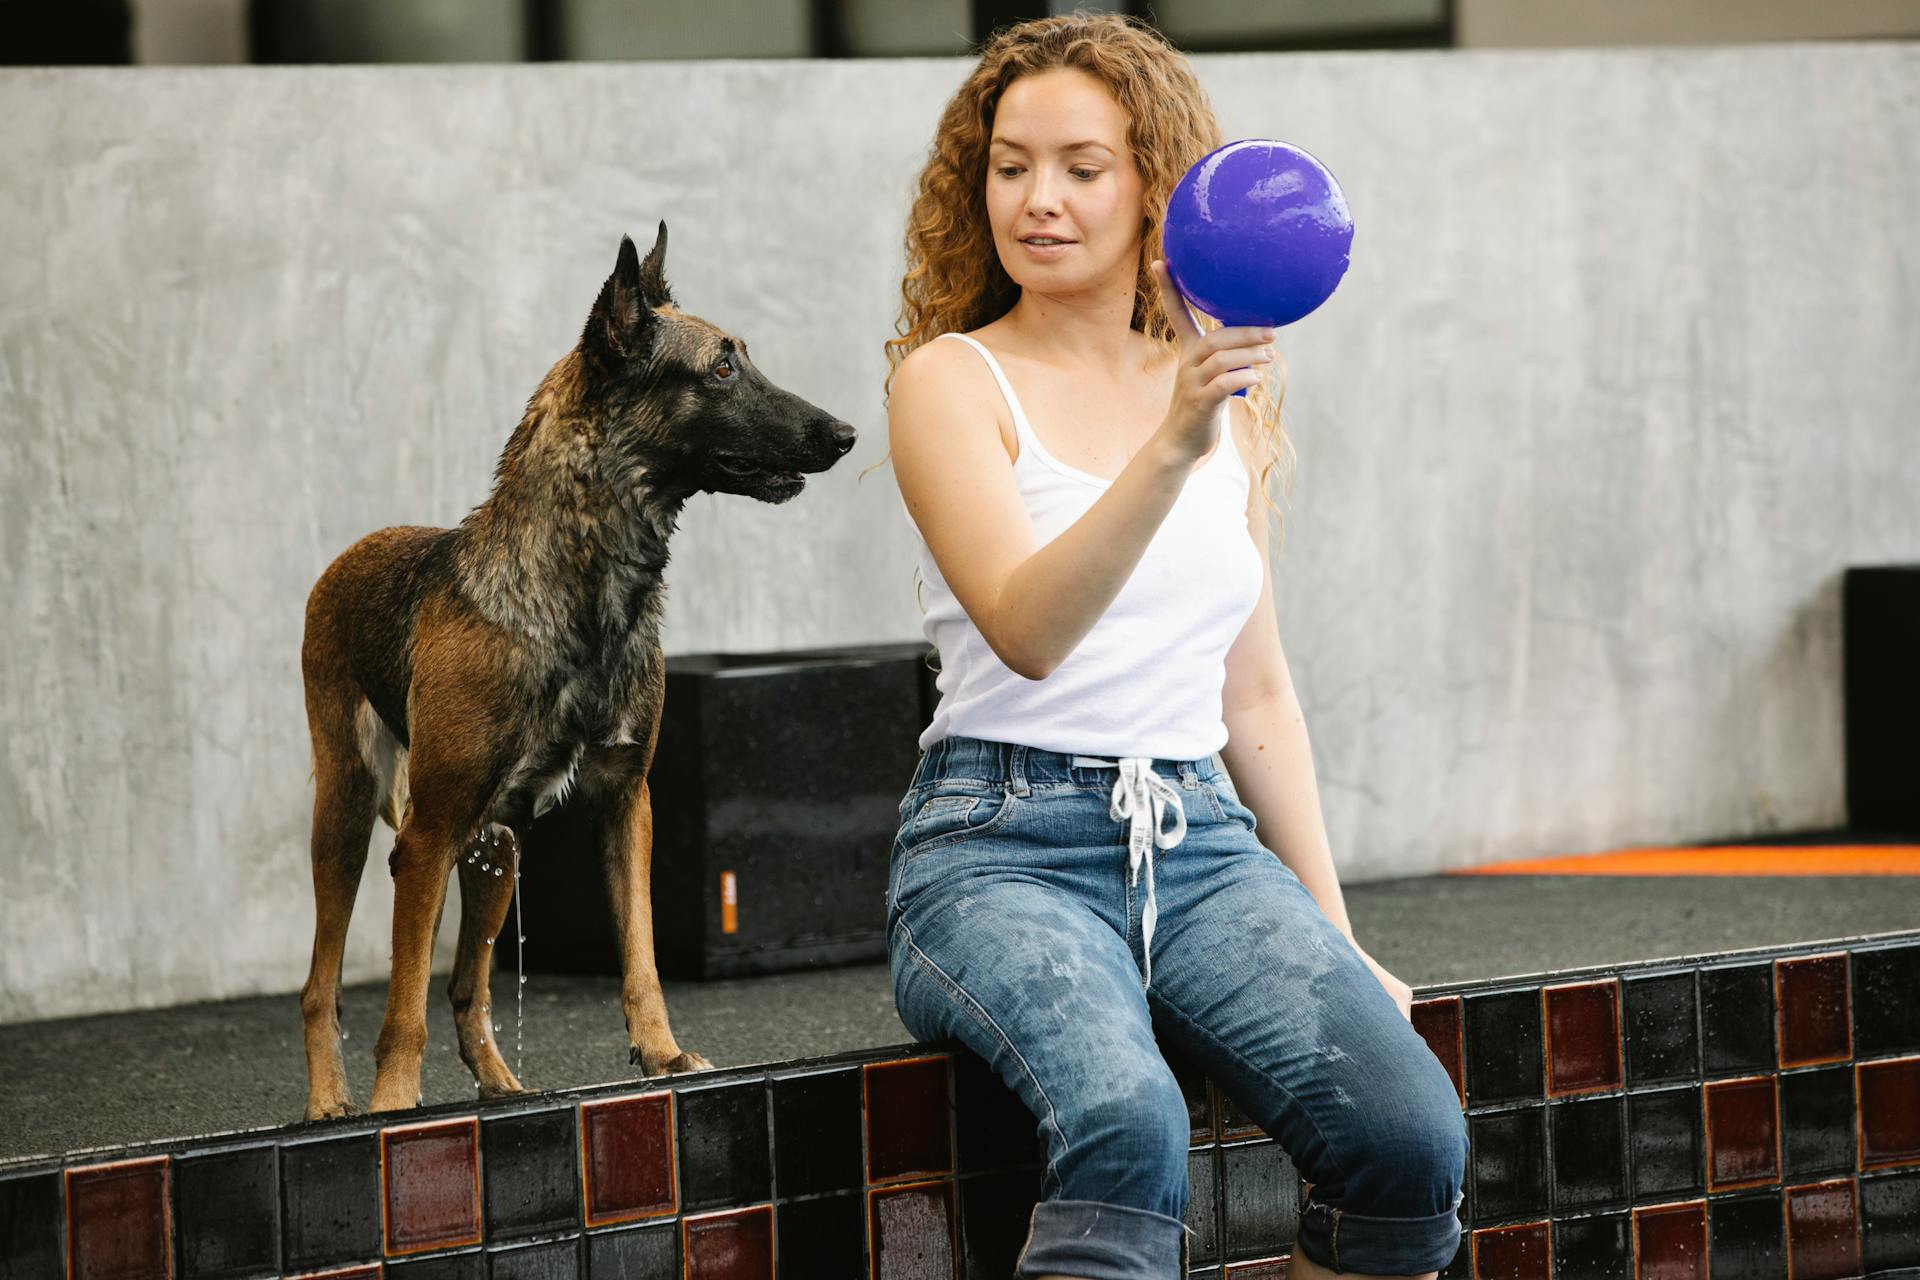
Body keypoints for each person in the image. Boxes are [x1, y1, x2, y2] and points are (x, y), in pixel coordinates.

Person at [880, 13, 1467, 1280]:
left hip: (1198, 840)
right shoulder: (951, 381)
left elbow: (1255, 691)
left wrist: (1332, 924)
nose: (1038, 201)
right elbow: (1029, 629)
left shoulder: (1215, 387)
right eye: (1010, 164)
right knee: (1123, 1119)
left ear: (1158, 188)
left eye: (1082, 167)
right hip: (998, 844)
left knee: (1413, 1140)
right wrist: (1170, 448)